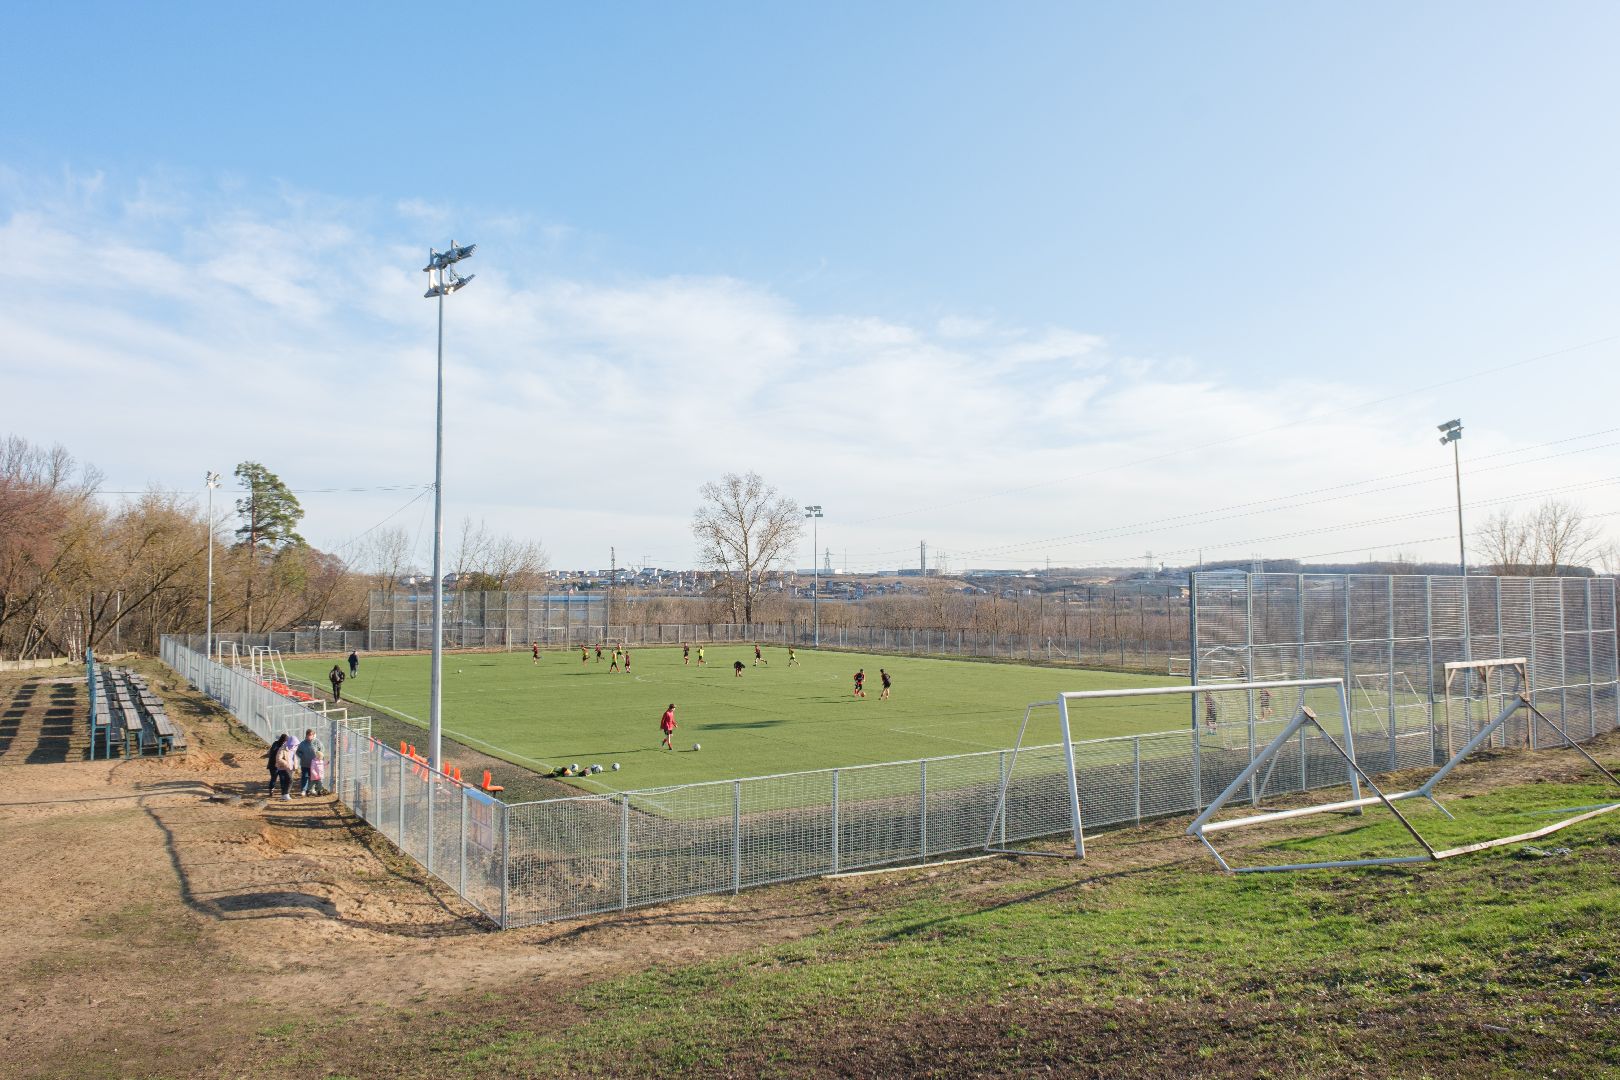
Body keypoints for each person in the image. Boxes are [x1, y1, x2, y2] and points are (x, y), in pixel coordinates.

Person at [267, 734, 293, 800]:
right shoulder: (279, 746)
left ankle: (283, 792)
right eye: (286, 741)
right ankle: (272, 790)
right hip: (274, 765)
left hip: (278, 765)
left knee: (281, 778)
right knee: (275, 778)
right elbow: (274, 754)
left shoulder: (279, 745)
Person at [296, 728, 321, 796]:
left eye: (311, 735)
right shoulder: (302, 743)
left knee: (312, 777)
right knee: (305, 776)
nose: (309, 736)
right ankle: (303, 790)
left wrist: (319, 757)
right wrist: (302, 756)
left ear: (313, 735)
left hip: (314, 764)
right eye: (308, 735)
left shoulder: (317, 742)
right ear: (306, 735)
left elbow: (321, 750)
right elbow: (298, 752)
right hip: (305, 764)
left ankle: (311, 789)